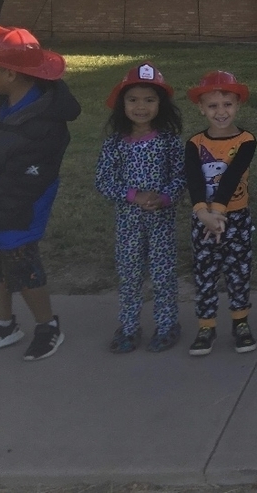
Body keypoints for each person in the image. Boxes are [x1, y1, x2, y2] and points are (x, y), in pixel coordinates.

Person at [0, 26, 80, 361]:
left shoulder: (45, 121)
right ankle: (2, 323)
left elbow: (30, 178)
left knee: (20, 261)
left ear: (10, 74)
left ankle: (48, 325)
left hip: (19, 201)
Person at [95, 63, 185, 354]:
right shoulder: (115, 144)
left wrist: (165, 197)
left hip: (161, 221)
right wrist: (133, 196)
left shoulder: (169, 142)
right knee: (130, 275)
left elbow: (181, 176)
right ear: (122, 104)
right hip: (128, 224)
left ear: (162, 104)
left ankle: (167, 323)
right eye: (133, 99)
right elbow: (103, 181)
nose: (141, 106)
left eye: (150, 99)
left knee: (162, 275)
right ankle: (129, 326)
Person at [184, 70, 257, 356]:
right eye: (212, 106)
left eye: (227, 104)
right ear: (201, 108)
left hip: (235, 217)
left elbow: (231, 178)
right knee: (205, 273)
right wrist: (204, 214)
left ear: (238, 105)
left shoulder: (247, 140)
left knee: (238, 271)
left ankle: (240, 322)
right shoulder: (194, 143)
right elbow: (193, 179)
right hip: (203, 220)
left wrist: (218, 213)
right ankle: (206, 325)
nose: (221, 111)